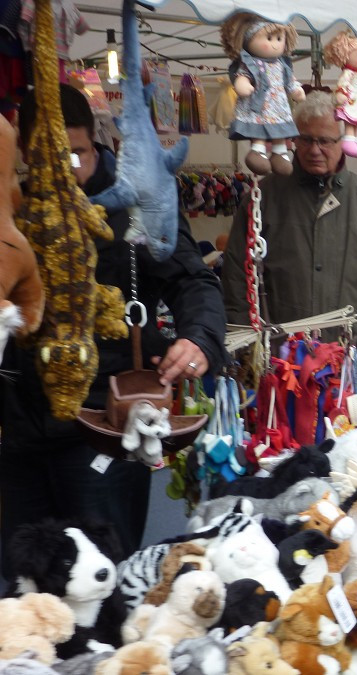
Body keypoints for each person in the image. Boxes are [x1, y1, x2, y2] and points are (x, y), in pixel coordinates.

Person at [0, 84, 228, 576]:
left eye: (76, 153)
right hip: (19, 431)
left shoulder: (136, 202)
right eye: (48, 157)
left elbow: (193, 279)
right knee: (24, 579)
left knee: (102, 576)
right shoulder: (12, 211)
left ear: (94, 142)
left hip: (104, 424)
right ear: (23, 151)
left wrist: (199, 338)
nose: (65, 168)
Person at [221, 90, 357, 381]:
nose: (314, 149)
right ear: (293, 140)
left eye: (325, 141)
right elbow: (237, 280)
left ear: (344, 142)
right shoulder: (263, 198)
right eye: (306, 139)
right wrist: (245, 355)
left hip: (353, 363)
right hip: (283, 366)